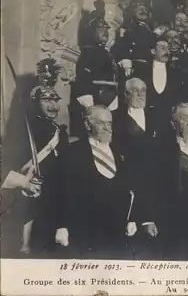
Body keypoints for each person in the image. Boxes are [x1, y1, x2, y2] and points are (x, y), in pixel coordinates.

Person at [55, 106, 137, 259]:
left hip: (118, 232)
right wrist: (62, 225)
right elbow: (63, 192)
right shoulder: (72, 152)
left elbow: (127, 188)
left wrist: (131, 218)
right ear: (87, 125)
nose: (107, 128)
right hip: (86, 233)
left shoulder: (120, 150)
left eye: (109, 123)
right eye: (101, 123)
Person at [139, 103, 188, 260]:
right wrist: (148, 219)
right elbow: (148, 186)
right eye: (184, 118)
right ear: (173, 123)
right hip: (169, 224)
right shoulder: (159, 149)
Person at [1, 85, 69, 256]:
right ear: (34, 103)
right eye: (46, 100)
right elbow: (6, 164)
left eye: (55, 100)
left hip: (53, 201)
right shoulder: (20, 130)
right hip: (24, 199)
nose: (53, 105)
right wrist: (24, 182)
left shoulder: (59, 132)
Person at [71, 13, 119, 138]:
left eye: (106, 29)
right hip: (94, 103)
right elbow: (82, 81)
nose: (105, 32)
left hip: (110, 104)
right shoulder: (87, 54)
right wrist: (90, 107)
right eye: (100, 28)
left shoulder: (108, 54)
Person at [113, 0, 155, 79]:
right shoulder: (126, 30)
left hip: (150, 69)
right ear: (132, 12)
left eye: (144, 9)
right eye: (139, 9)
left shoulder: (152, 31)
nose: (143, 11)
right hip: (132, 68)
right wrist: (124, 59)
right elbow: (119, 47)